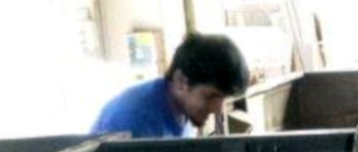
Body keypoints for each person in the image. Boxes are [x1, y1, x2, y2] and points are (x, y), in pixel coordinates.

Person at [92, 33, 250, 139]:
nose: (218, 109)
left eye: (224, 98)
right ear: (181, 81)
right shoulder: (129, 121)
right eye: (210, 96)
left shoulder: (180, 106)